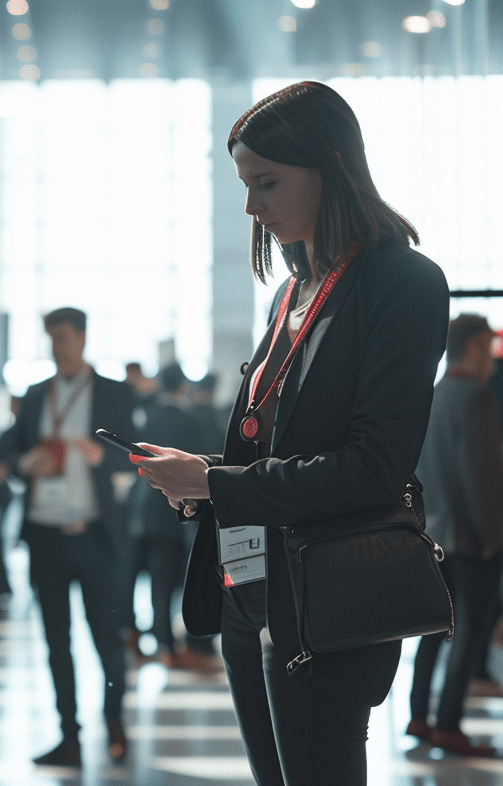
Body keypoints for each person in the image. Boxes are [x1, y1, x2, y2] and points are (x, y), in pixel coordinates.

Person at [133, 82, 450, 785]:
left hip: (327, 591)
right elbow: (280, 450)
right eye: (246, 184)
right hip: (251, 586)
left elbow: (372, 465)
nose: (253, 205)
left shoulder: (404, 282)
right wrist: (204, 475)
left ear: (331, 165)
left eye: (267, 182)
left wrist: (217, 482)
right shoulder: (292, 292)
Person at [10, 306, 136, 767]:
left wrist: (101, 455)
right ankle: (69, 736)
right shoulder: (34, 394)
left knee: (106, 636)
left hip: (93, 534)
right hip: (45, 533)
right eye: (50, 338)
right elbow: (16, 452)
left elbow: (134, 456)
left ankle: (115, 724)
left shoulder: (112, 393)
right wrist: (27, 465)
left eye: (62, 337)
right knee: (55, 640)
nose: (56, 346)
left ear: (82, 337)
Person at [406, 314, 503, 756]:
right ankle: (448, 724)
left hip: (433, 535)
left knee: (432, 627)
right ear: (474, 345)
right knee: (470, 631)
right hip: (469, 539)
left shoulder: (433, 396)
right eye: (488, 346)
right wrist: (492, 537)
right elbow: (480, 480)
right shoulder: (475, 399)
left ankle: (419, 716)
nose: (492, 358)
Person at [121, 363, 216, 669]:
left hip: (143, 508)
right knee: (165, 579)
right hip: (170, 507)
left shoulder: (150, 416)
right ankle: (167, 644)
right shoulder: (187, 420)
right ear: (182, 386)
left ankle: (153, 639)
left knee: (146, 579)